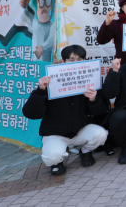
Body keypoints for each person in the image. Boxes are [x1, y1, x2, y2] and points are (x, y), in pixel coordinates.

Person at [22, 45, 108, 176]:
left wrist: (94, 100)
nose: (75, 63)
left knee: (101, 134)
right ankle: (57, 162)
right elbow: (30, 113)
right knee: (52, 157)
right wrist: (40, 91)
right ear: (63, 62)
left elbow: (101, 111)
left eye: (80, 59)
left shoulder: (89, 81)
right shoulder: (50, 84)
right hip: (55, 133)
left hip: (80, 130)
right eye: (71, 60)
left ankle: (85, 151)